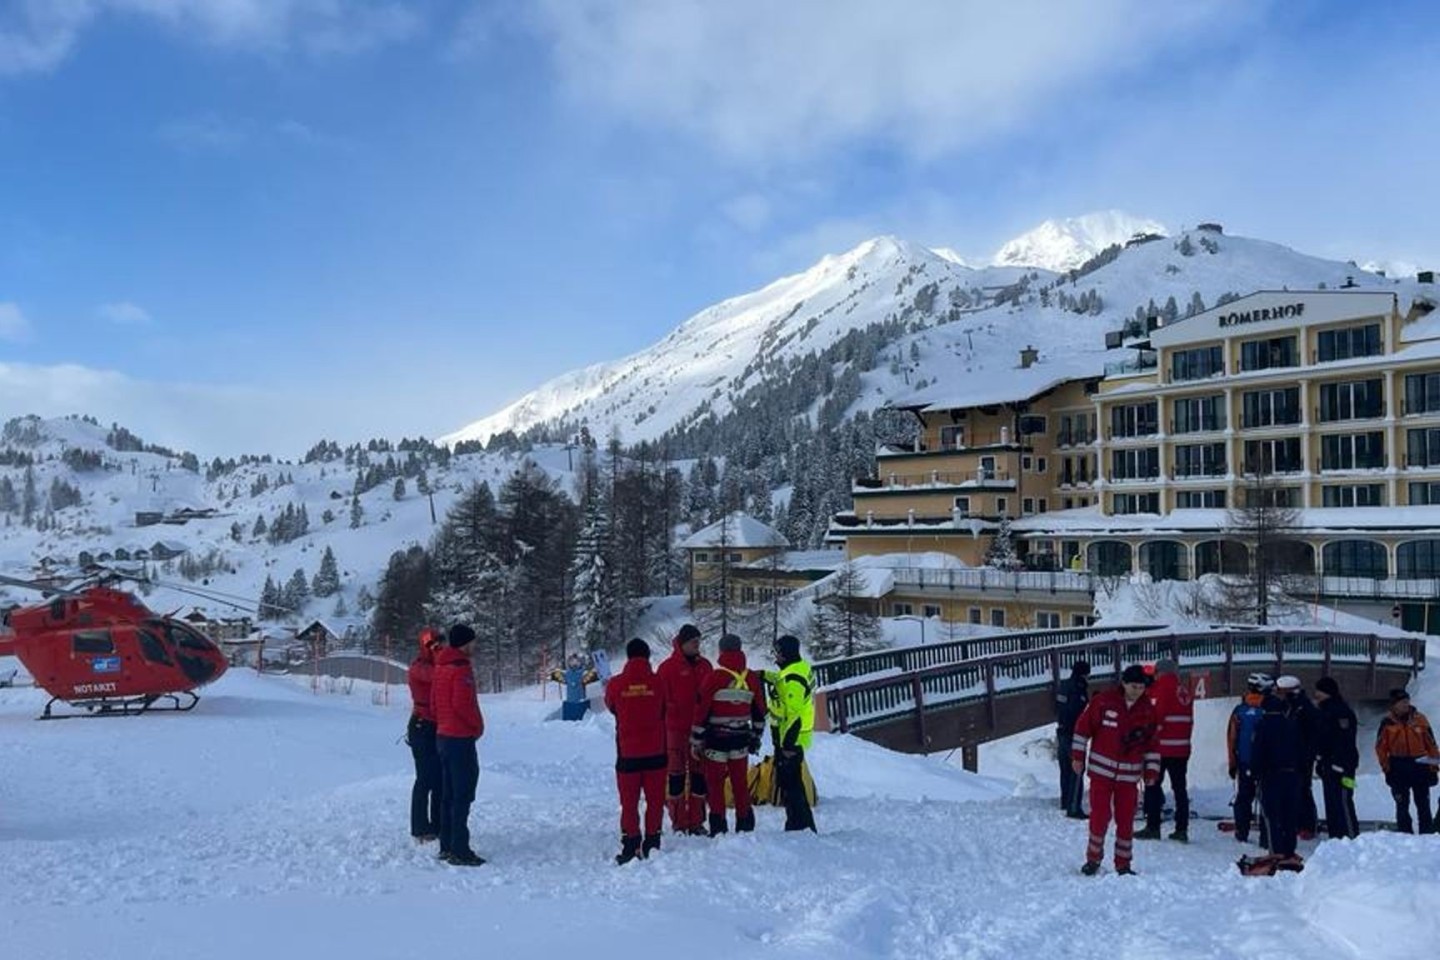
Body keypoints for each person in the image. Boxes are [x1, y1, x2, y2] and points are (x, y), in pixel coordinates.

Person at [1071, 664, 1159, 876]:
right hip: (1101, 774)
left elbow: (1152, 745)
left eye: (1141, 687)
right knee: (1099, 818)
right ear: (1124, 683)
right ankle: (1093, 859)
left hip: (1129, 778)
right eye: (1134, 686)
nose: (1137, 691)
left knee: (1126, 821)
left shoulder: (1147, 710)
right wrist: (1077, 757)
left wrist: (1152, 771)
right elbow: (1082, 729)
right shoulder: (1103, 702)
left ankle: (1123, 864)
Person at [692, 634, 766, 835]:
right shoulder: (750, 678)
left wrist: (696, 739)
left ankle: (719, 826)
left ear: (721, 651)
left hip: (716, 740)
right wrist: (756, 736)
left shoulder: (715, 677)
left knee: (715, 785)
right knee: (740, 783)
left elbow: (702, 710)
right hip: (741, 740)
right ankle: (745, 823)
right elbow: (760, 711)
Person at [604, 638, 667, 864]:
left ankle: (631, 843)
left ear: (628, 656)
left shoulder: (616, 684)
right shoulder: (658, 682)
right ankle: (652, 842)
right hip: (656, 752)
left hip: (628, 753)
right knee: (655, 800)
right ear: (648, 656)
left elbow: (612, 707)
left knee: (629, 803)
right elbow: (664, 707)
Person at [432, 623, 486, 866]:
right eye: (473, 642)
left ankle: (446, 844)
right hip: (459, 738)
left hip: (442, 735)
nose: (475, 646)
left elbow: (434, 704)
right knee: (463, 793)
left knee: (448, 793)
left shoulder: (441, 666)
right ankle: (460, 849)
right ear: (465, 643)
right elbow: (463, 704)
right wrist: (476, 727)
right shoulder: (461, 668)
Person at [656, 623, 712, 834]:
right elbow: (659, 700)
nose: (697, 645)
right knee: (676, 777)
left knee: (699, 777)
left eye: (699, 641)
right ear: (682, 643)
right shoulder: (667, 668)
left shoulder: (705, 666)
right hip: (675, 731)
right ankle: (678, 821)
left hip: (700, 730)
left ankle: (697, 821)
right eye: (693, 642)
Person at [766, 633, 817, 832]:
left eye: (777, 653)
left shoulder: (793, 679)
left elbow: (793, 714)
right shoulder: (798, 669)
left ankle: (799, 825)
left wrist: (787, 744)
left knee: (792, 785)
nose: (775, 657)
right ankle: (800, 823)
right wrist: (765, 675)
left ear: (785, 654)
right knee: (791, 783)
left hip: (791, 740)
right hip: (794, 738)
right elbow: (782, 679)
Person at [1137, 658, 1193, 842]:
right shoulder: (1184, 690)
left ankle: (1153, 827)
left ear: (1159, 672)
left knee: (1153, 785)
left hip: (1161, 748)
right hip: (1182, 748)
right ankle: (1182, 829)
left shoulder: (1160, 688)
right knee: (1180, 789)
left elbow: (1156, 717)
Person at [1250, 684, 1305, 867]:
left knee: (1272, 816)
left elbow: (1257, 751)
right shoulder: (1292, 724)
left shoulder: (1263, 726)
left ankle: (1276, 851)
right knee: (1289, 815)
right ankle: (1289, 849)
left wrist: (1254, 771)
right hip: (1292, 774)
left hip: (1271, 775)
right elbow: (1301, 749)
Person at [1375, 688, 1439, 834]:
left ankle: (1427, 835)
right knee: (1402, 806)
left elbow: (1431, 745)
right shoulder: (1387, 723)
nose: (1406, 704)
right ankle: (1405, 835)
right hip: (1398, 766)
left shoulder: (1420, 719)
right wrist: (1387, 769)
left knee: (1423, 805)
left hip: (1420, 765)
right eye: (1402, 702)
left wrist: (1434, 768)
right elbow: (1380, 749)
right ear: (1394, 705)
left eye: (1407, 701)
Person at [406, 626, 444, 843]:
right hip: (422, 726)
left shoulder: (433, 664)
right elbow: (438, 676)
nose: (439, 646)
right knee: (425, 778)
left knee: (439, 778)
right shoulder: (419, 667)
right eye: (435, 643)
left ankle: (438, 824)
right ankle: (420, 828)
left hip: (436, 725)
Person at [1312, 676, 1360, 839]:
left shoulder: (1340, 712)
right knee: (1332, 803)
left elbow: (1344, 740)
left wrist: (1339, 763)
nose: (1316, 694)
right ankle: (1336, 837)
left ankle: (1351, 836)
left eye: (1319, 691)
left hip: (1344, 767)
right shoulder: (1324, 711)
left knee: (1344, 801)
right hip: (1328, 765)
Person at [1227, 673, 1271, 845]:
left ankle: (1241, 831)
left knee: (1244, 797)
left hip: (1244, 762)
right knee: (1266, 798)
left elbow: (1231, 738)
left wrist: (1232, 764)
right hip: (1266, 763)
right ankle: (1266, 836)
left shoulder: (1240, 710)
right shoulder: (1269, 709)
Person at [1275, 675, 1320, 839]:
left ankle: (1307, 824)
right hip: (1290, 756)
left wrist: (1307, 754)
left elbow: (1311, 735)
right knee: (1293, 791)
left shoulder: (1303, 709)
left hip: (1301, 757)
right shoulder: (1289, 707)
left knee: (1302, 790)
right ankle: (1295, 821)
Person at [1055, 659, 1091, 819]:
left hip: (1061, 731)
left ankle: (1065, 800)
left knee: (1065, 769)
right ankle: (1074, 807)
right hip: (1073, 734)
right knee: (1077, 769)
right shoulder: (1079, 689)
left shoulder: (1063, 686)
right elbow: (1079, 712)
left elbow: (1059, 707)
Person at [550, 653, 599, 721]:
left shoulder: (582, 673)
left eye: (577, 662)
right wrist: (554, 673)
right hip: (570, 702)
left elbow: (593, 676)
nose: (574, 664)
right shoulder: (567, 674)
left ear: (580, 662)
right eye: (572, 662)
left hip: (580, 701)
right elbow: (556, 675)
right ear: (569, 663)